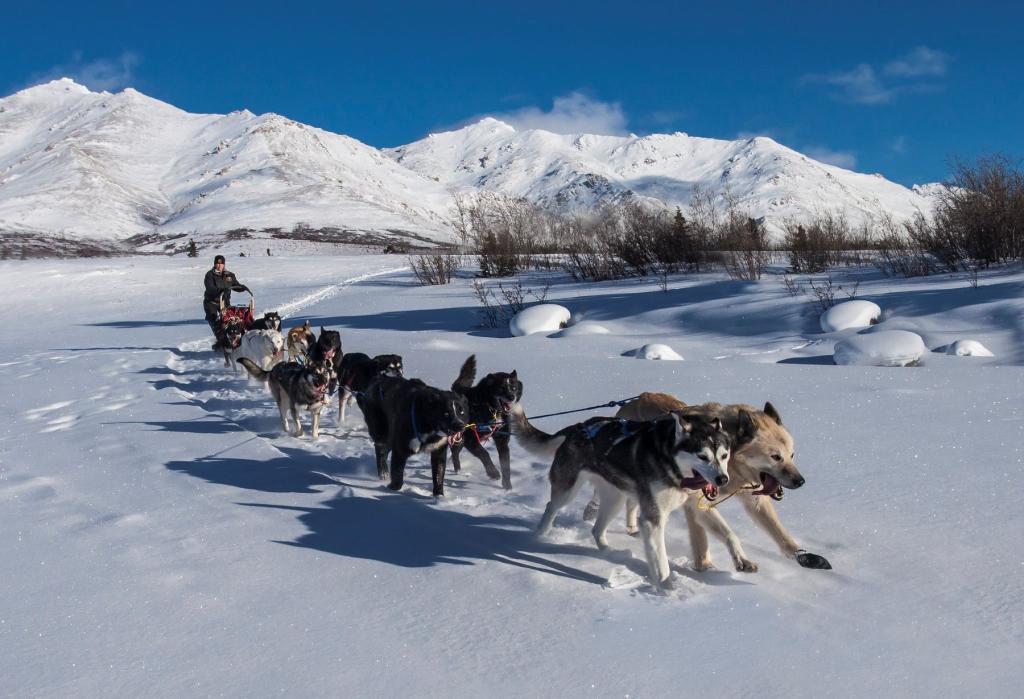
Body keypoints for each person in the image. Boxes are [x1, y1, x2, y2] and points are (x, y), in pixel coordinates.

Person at [203, 254, 249, 348]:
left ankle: (232, 339)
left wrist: (242, 288)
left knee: (229, 320)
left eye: (221, 264)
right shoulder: (209, 275)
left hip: (224, 302)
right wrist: (221, 290)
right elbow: (210, 288)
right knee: (213, 318)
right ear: (215, 264)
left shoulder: (229, 275)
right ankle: (220, 341)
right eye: (217, 263)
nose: (219, 266)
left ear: (224, 264)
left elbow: (235, 285)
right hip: (211, 302)